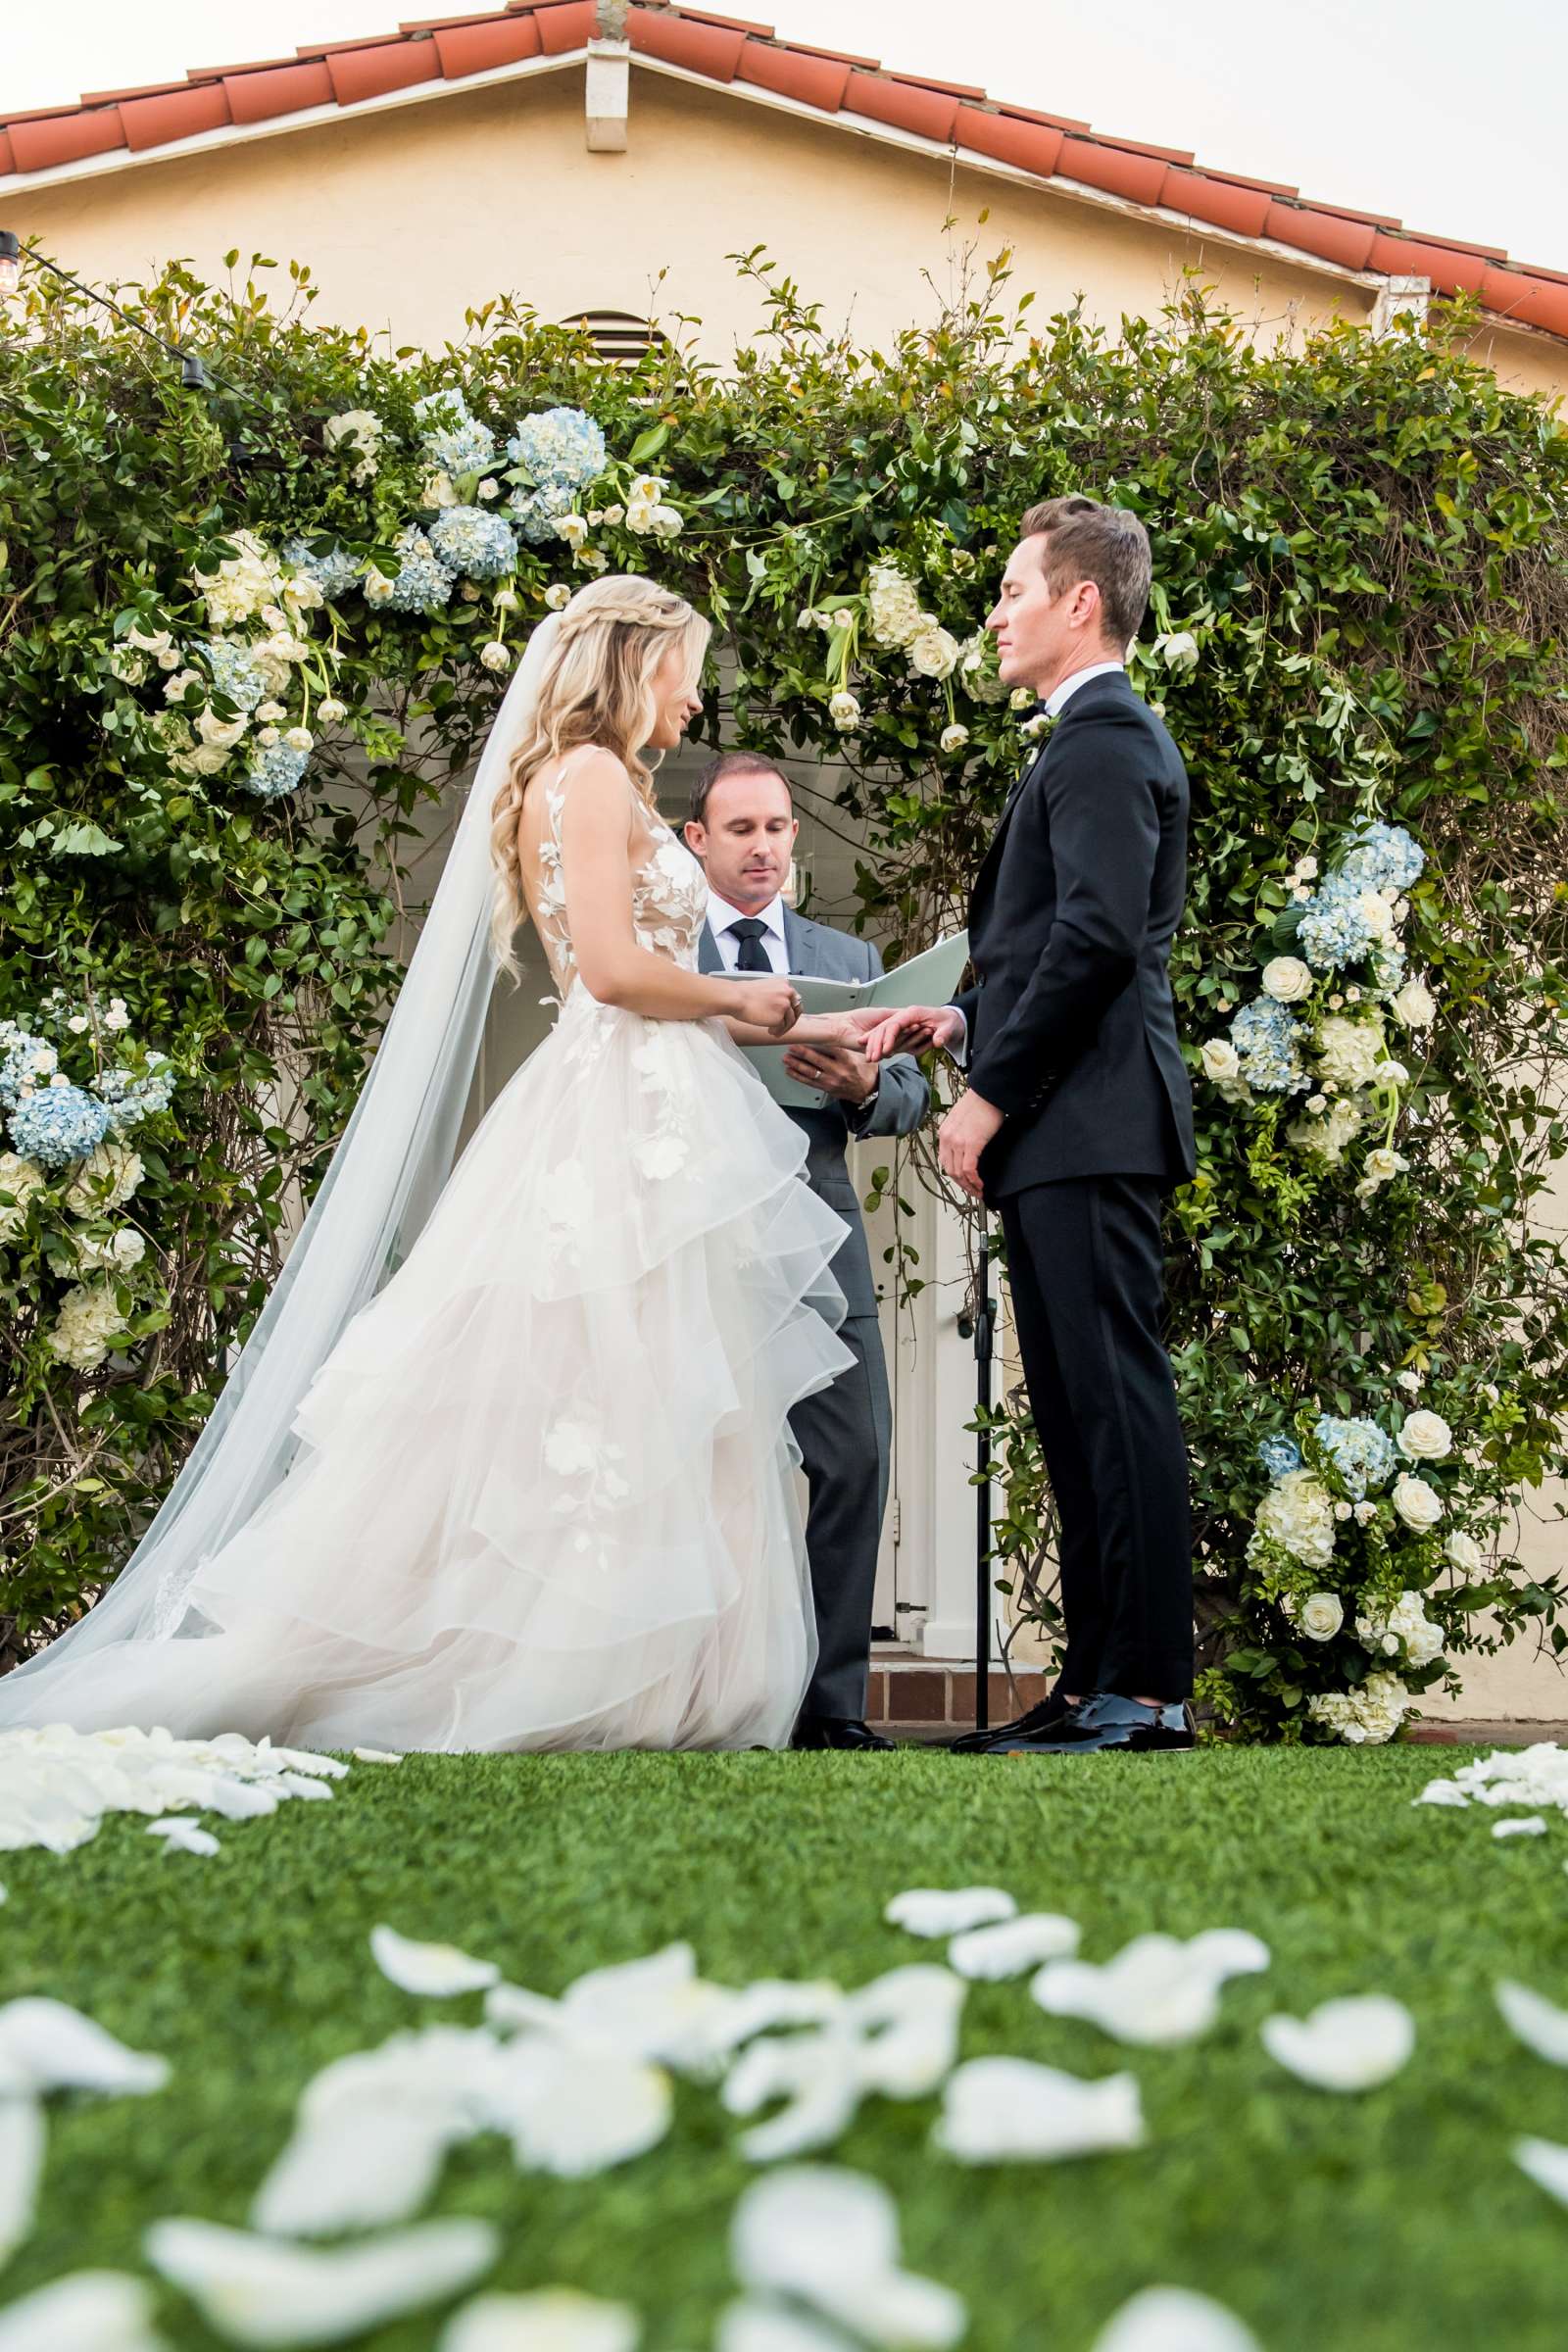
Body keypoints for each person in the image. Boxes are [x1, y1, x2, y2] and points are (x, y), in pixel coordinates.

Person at [0, 576, 872, 1753]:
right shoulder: (598, 776)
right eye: (685, 670)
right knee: (618, 1386)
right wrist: (741, 994)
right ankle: (591, 1672)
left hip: (651, 1095)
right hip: (627, 1110)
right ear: (634, 664)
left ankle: (658, 1674)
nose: (694, 695)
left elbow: (651, 984)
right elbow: (614, 974)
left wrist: (823, 1027)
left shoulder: (572, 780)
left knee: (650, 1389)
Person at [858, 496, 1199, 1757]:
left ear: (1080, 603)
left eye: (1010, 588)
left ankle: (1147, 1692)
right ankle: (1097, 1681)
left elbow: (1100, 939)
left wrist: (991, 1096)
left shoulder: (1106, 739)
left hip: (1088, 1124)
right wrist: (958, 1024)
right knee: (1070, 1404)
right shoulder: (1080, 741)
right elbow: (1050, 938)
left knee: (1112, 1400)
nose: (992, 613)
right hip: (1072, 1122)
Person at [686, 753, 929, 1751]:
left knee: (857, 1456)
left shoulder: (852, 958)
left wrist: (857, 1086)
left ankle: (829, 1708)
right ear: (696, 841)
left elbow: (909, 1095)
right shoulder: (658, 949)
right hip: (691, 1243)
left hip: (817, 1244)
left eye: (777, 828)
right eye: (739, 829)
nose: (762, 847)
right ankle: (698, 1694)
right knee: (692, 1469)